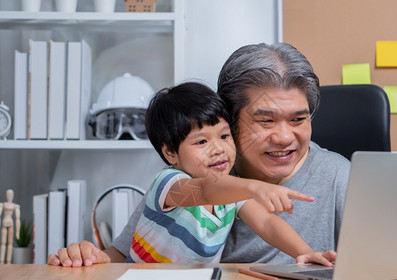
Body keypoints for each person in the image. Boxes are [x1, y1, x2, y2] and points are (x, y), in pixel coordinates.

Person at [48, 42, 350, 267]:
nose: (284, 136)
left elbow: (269, 223)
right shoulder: (185, 180)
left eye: (298, 119)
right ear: (230, 119)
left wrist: (304, 252)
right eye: (266, 120)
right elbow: (117, 257)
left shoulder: (341, 178)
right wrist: (87, 257)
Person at [124, 81, 334, 265]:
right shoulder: (169, 183)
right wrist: (255, 187)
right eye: (201, 141)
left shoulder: (230, 192)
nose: (218, 149)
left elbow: (266, 223)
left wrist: (305, 252)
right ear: (170, 153)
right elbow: (205, 191)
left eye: (224, 136)